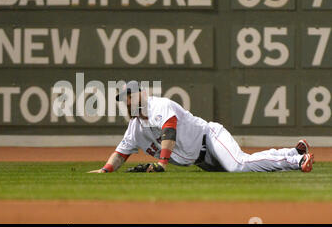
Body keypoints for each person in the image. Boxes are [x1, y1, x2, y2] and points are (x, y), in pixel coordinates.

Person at [88, 81, 314, 173]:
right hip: (201, 160)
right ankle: (293, 152)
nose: (127, 101)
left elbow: (169, 129)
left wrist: (161, 163)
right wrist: (105, 170)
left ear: (142, 94)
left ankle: (296, 161)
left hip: (210, 137)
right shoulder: (134, 128)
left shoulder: (159, 105)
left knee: (239, 165)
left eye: (130, 95)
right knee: (244, 164)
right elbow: (120, 154)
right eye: (124, 99)